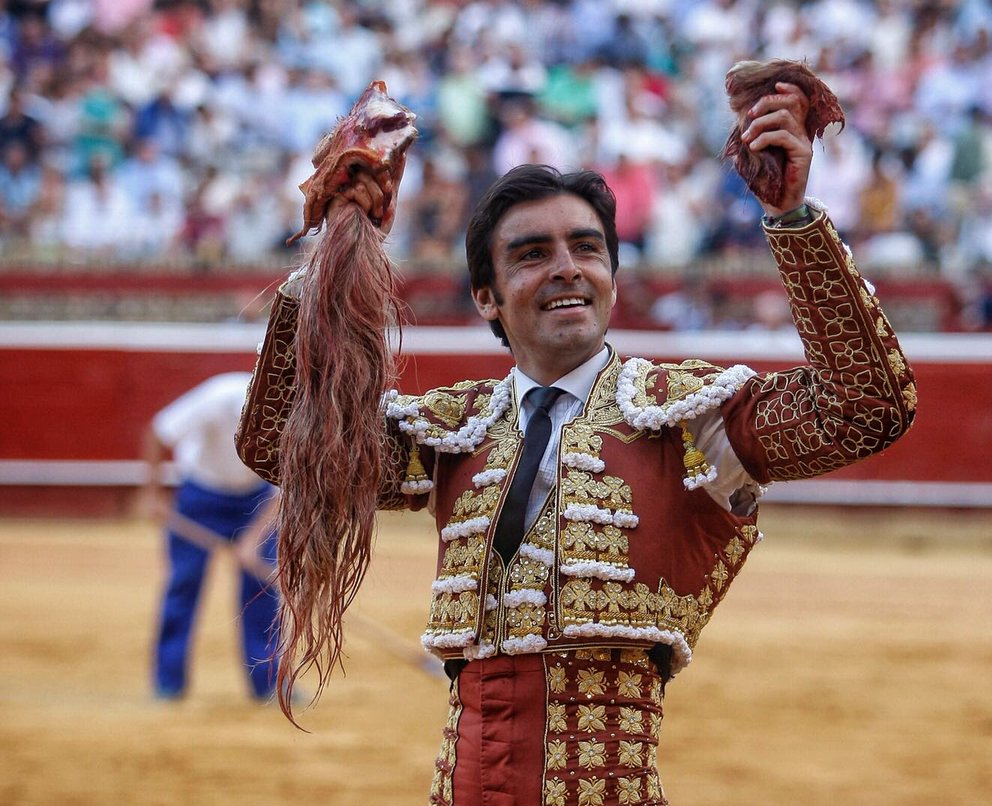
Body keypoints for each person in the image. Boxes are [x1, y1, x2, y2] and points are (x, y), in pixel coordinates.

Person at [237, 78, 917, 804]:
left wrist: (793, 219)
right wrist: (339, 242)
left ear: (612, 279)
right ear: (486, 297)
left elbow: (865, 406)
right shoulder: (457, 431)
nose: (566, 266)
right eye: (531, 253)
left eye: (586, 247)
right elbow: (281, 444)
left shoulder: (689, 421)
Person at [142, 371, 281, 702]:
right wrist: (153, 493)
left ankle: (267, 684)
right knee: (183, 583)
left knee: (261, 591)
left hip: (256, 499)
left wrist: (252, 539)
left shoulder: (287, 413)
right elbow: (158, 432)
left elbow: (286, 488)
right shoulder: (217, 397)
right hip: (201, 495)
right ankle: (168, 682)